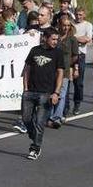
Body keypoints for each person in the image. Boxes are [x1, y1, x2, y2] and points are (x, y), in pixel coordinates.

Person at [21, 28, 65, 160]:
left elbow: (60, 73)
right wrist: (25, 88)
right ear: (45, 38)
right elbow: (27, 69)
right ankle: (34, 136)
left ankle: (35, 148)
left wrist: (56, 92)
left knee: (40, 122)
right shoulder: (35, 50)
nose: (55, 42)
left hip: (46, 93)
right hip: (30, 92)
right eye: (53, 39)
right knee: (26, 119)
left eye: (57, 39)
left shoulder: (58, 53)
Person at [48, 15, 78, 128]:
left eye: (68, 26)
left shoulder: (72, 39)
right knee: (51, 92)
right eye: (64, 25)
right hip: (52, 69)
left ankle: (57, 117)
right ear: (60, 25)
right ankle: (49, 115)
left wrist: (70, 66)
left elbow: (75, 56)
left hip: (64, 71)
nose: (66, 28)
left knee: (62, 94)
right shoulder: (56, 37)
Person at [72, 7, 93, 116]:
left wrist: (74, 38)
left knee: (78, 82)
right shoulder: (71, 24)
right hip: (70, 54)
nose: (78, 17)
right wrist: (78, 38)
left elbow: (87, 39)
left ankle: (77, 103)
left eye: (81, 14)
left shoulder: (88, 25)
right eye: (77, 14)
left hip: (80, 55)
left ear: (84, 15)